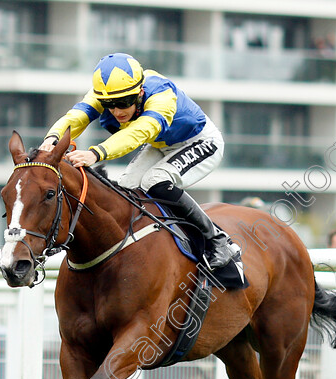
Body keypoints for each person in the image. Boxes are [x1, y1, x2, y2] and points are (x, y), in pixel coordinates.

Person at [38, 52, 238, 270]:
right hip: (161, 145)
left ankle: (218, 241)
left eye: (123, 103)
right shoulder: (108, 91)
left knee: (155, 181)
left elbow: (139, 133)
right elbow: (76, 116)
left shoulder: (162, 95)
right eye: (109, 104)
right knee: (125, 190)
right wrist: (52, 139)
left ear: (140, 92)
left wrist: (96, 153)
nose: (116, 111)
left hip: (200, 142)